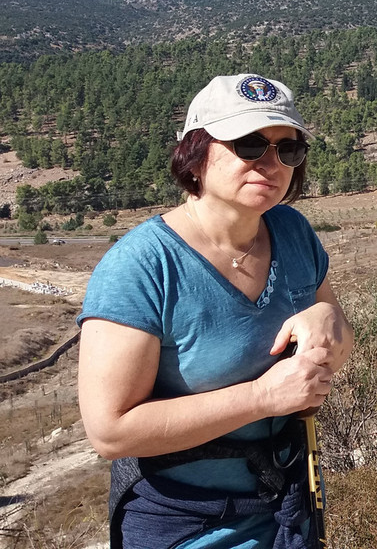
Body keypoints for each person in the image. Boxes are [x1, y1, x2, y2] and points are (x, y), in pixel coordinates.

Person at [78, 73, 354, 548]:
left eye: (288, 150)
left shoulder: (291, 232)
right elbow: (111, 432)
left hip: (289, 507)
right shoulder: (143, 266)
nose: (271, 163)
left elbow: (333, 343)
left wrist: (331, 320)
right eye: (249, 144)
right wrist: (262, 398)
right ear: (196, 153)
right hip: (188, 524)